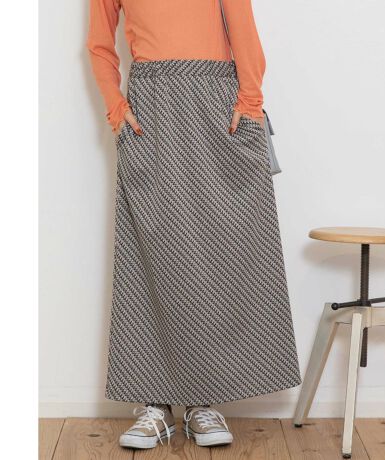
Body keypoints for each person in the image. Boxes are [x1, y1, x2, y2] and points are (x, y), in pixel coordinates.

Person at [86, 0, 301, 450]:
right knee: (150, 256)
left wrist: (250, 101)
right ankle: (154, 405)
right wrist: (115, 107)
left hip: (218, 106)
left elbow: (243, 30)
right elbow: (99, 44)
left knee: (221, 253)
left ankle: (204, 401)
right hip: (152, 110)